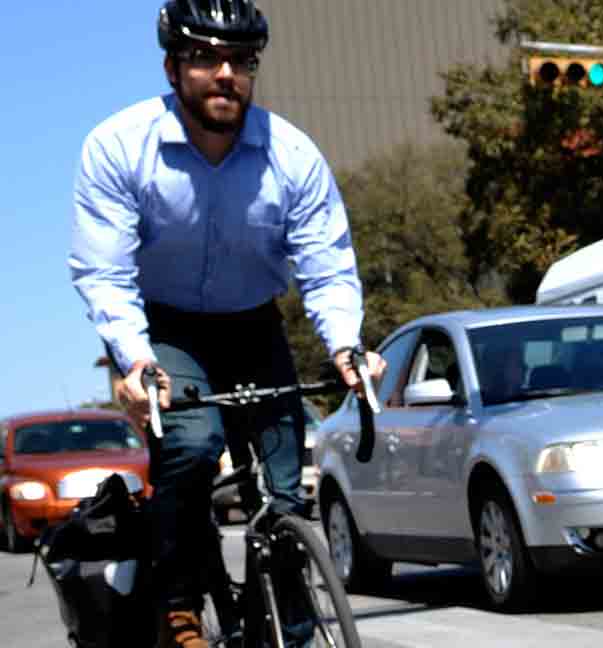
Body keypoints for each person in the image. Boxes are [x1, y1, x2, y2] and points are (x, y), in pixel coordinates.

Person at [66, 2, 384, 646]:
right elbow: (105, 273)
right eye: (206, 59)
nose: (225, 75)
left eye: (241, 62)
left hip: (252, 322)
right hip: (165, 327)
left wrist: (347, 346)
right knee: (190, 444)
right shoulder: (119, 146)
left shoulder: (292, 155)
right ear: (173, 67)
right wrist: (134, 361)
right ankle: (178, 601)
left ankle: (291, 629)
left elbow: (326, 266)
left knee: (288, 493)